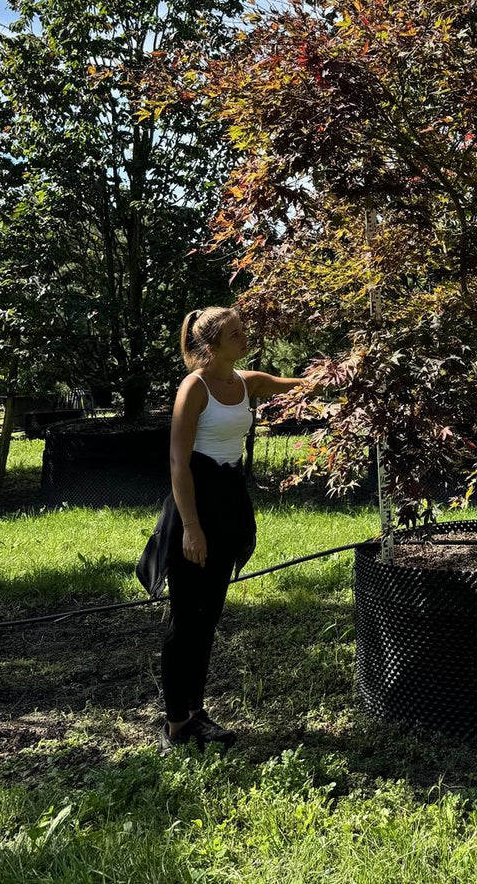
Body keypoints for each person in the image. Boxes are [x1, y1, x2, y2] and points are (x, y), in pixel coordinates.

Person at [137, 305, 305, 753]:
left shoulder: (243, 382)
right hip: (196, 505)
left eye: (242, 330)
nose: (244, 338)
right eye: (235, 334)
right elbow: (177, 462)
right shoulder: (194, 388)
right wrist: (191, 528)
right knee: (186, 617)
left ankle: (195, 711)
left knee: (208, 615)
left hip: (229, 501)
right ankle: (176, 722)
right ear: (210, 347)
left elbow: (296, 387)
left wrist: (343, 375)